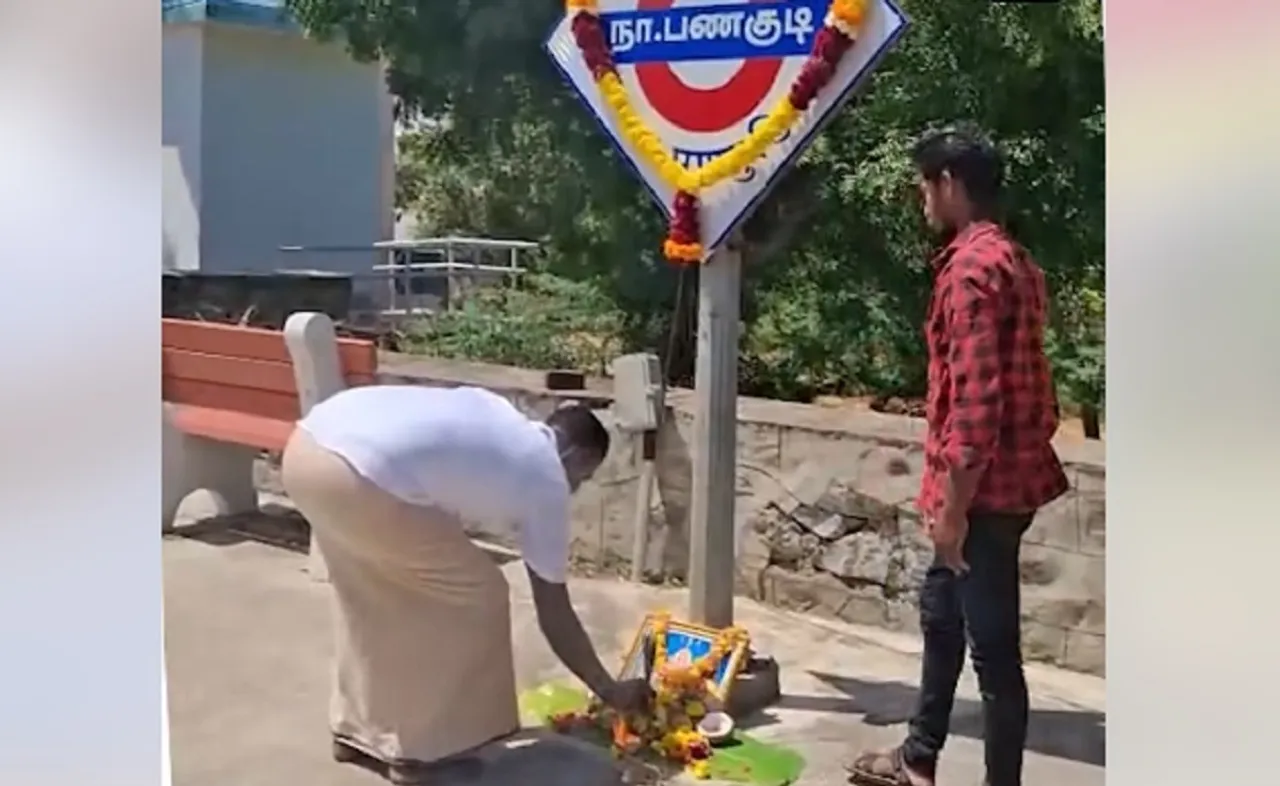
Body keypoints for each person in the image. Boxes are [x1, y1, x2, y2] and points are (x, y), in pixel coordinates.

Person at [280, 383, 654, 785]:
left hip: (305, 449)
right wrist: (607, 689)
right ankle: (428, 754)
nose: (577, 488)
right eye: (584, 477)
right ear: (575, 456)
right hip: (362, 475)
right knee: (479, 596)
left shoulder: (500, 416)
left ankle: (356, 731)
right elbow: (554, 612)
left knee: (373, 593)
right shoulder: (546, 477)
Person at [846, 128, 1068, 786]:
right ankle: (918, 759)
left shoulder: (970, 271)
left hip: (984, 496)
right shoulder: (1014, 260)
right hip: (1008, 482)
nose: (922, 202)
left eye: (923, 187)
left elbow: (976, 407)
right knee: (940, 615)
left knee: (994, 658)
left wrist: (954, 511)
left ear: (948, 183)